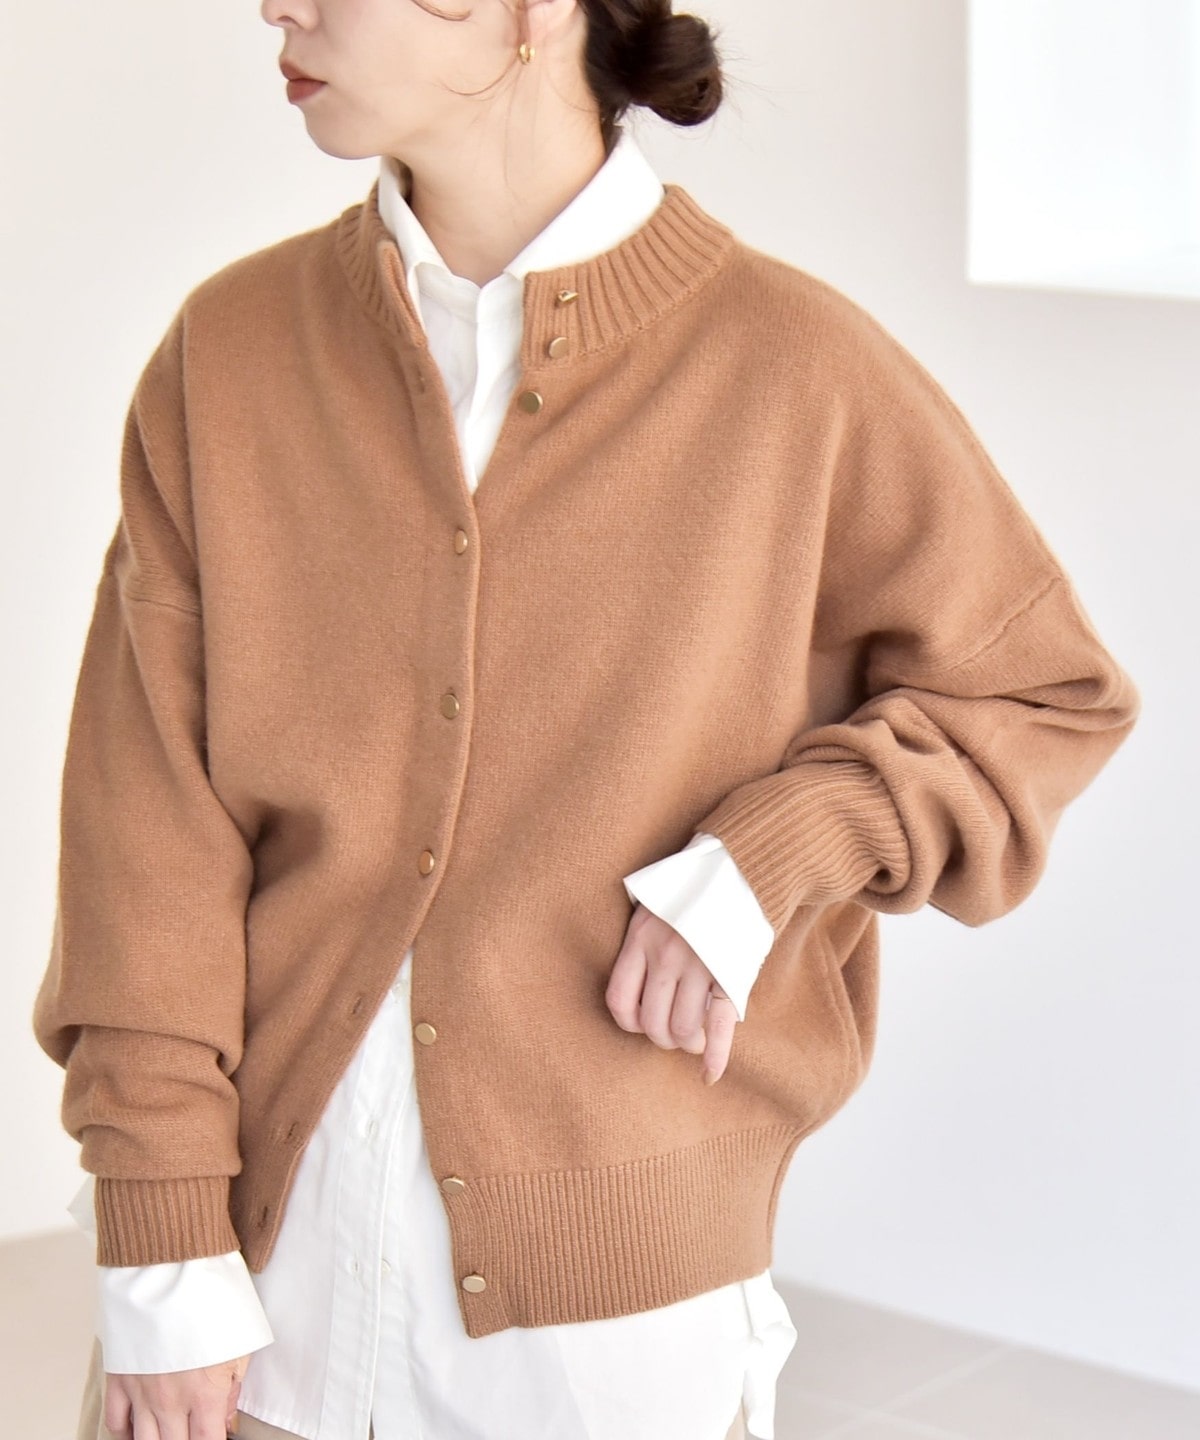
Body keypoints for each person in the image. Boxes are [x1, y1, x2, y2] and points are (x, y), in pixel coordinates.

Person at [31, 1, 1142, 1438]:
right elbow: (145, 841)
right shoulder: (229, 356)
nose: (278, 6)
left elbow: (1042, 692)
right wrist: (163, 1246)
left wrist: (773, 852)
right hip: (249, 1314)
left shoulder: (790, 368)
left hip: (603, 1360)